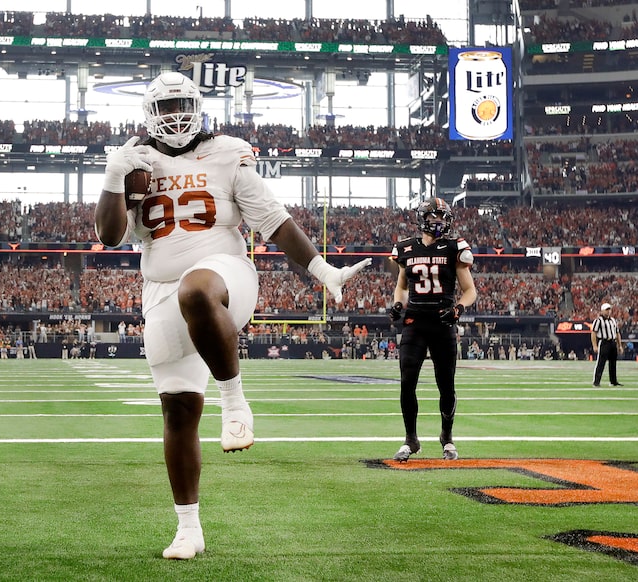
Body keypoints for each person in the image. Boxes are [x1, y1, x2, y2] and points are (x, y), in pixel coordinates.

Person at [94, 71, 371, 560]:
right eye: (166, 105)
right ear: (148, 113)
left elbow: (273, 220)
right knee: (178, 410)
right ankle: (188, 528)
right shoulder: (134, 160)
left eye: (183, 102)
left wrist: (322, 270)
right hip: (158, 290)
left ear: (199, 105)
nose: (176, 114)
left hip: (226, 275)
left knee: (197, 289)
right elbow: (111, 236)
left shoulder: (228, 152)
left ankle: (235, 399)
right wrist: (114, 179)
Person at [388, 198, 477, 462]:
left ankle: (447, 437)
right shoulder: (406, 248)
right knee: (407, 382)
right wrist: (396, 304)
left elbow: (470, 290)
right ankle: (410, 439)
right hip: (415, 321)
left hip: (443, 322)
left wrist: (458, 309)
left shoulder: (454, 247)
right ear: (423, 219)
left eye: (443, 217)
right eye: (434, 217)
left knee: (446, 385)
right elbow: (402, 286)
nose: (439, 222)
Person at [591, 302, 623, 387]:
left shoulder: (613, 320)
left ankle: (613, 381)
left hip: (613, 342)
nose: (608, 311)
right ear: (602, 311)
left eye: (609, 309)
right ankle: (596, 381)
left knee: (613, 363)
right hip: (604, 342)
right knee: (601, 363)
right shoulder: (598, 321)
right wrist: (595, 345)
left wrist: (619, 345)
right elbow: (594, 333)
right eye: (606, 310)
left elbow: (617, 333)